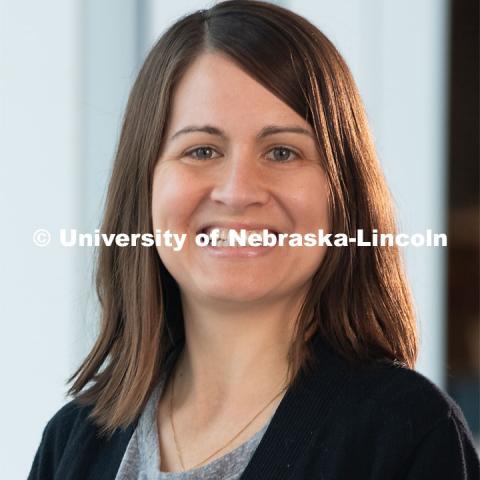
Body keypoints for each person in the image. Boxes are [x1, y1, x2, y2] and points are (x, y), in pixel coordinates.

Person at [28, 1, 479, 479]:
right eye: (201, 150)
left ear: (342, 195)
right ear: (144, 187)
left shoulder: (406, 434)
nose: (238, 191)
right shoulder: (74, 440)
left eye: (282, 152)